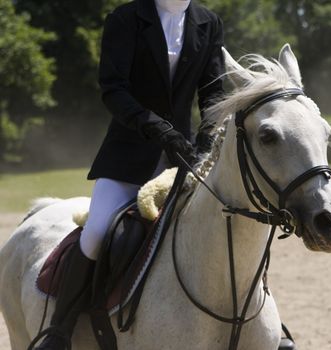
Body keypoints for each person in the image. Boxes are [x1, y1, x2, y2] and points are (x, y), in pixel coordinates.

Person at [32, 0, 224, 348]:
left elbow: (213, 95)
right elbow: (113, 89)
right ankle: (59, 329)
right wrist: (156, 128)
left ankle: (264, 323)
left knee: (225, 225)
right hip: (128, 154)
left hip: (184, 155)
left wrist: (206, 142)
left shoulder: (208, 23)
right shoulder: (125, 19)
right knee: (97, 232)